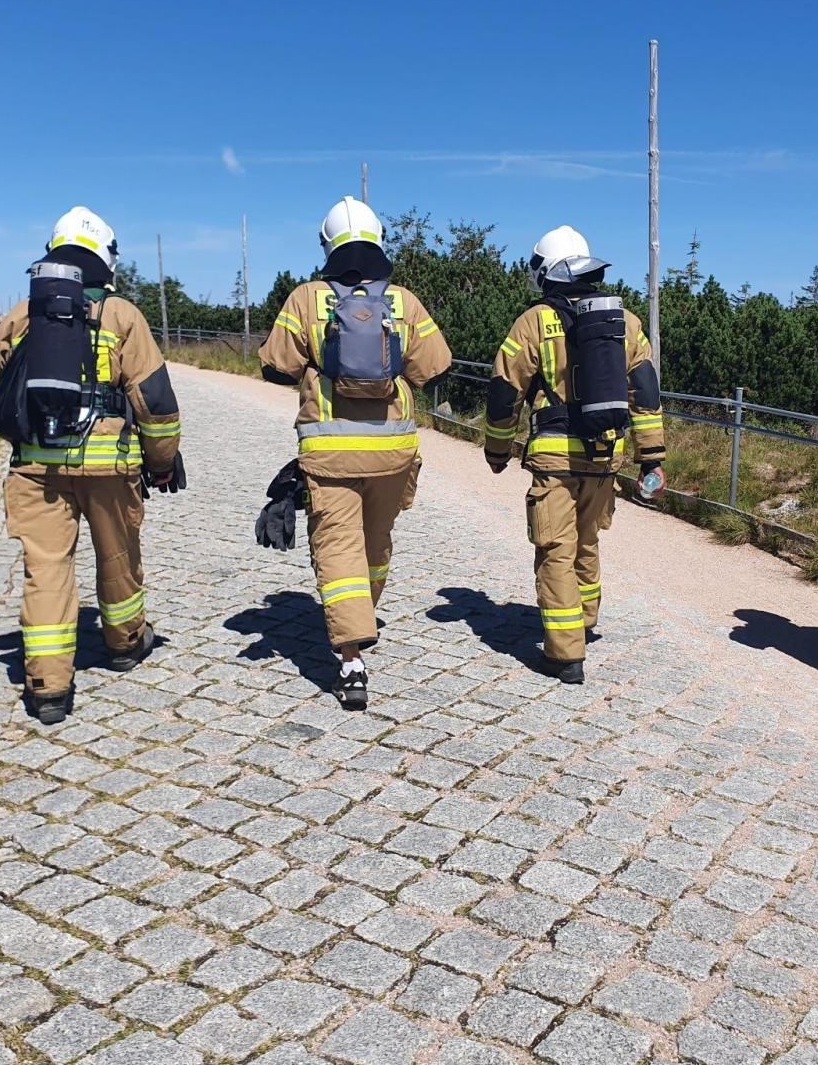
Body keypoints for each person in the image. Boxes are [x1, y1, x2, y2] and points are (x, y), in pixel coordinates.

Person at [0, 207, 182, 725]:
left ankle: (48, 686)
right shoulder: (121, 315)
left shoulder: (21, 316)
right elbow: (154, 402)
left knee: (46, 569)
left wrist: (24, 438)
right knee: (118, 556)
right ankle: (125, 644)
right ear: (105, 258)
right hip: (111, 466)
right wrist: (161, 461)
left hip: (38, 469)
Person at [258, 196, 452, 710]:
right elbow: (437, 363)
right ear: (379, 240)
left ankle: (350, 658)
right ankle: (365, 610)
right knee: (376, 542)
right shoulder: (404, 302)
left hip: (329, 450)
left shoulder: (306, 297)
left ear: (327, 244)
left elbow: (275, 364)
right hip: (393, 449)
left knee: (338, 547)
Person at [482, 226, 666, 682]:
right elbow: (645, 391)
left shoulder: (533, 322)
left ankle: (565, 654)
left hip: (554, 457)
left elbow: (505, 391)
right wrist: (652, 457)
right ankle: (583, 621)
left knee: (555, 549)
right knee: (587, 541)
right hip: (605, 454)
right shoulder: (626, 321)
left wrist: (498, 448)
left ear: (545, 271)